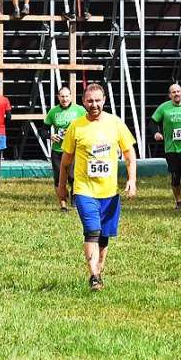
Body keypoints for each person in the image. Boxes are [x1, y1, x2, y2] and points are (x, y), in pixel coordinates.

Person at [57, 83, 137, 291]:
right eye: (90, 101)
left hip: (109, 192)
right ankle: (93, 275)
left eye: (97, 100)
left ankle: (99, 269)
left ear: (104, 101)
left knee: (104, 236)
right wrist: (61, 187)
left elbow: (129, 155)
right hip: (84, 190)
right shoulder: (76, 126)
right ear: (83, 102)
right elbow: (66, 162)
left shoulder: (115, 124)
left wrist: (132, 180)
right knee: (92, 231)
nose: (94, 105)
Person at [43, 86, 86, 211]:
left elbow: (88, 124)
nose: (64, 99)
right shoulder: (53, 112)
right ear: (58, 97)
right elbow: (43, 130)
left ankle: (75, 201)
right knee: (58, 178)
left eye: (67, 96)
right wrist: (51, 136)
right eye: (62, 96)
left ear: (71, 96)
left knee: (73, 177)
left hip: (74, 150)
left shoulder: (80, 110)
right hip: (58, 150)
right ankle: (63, 205)